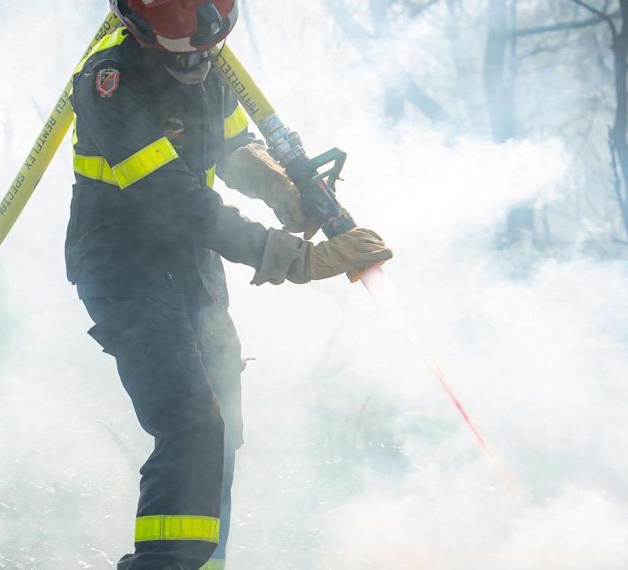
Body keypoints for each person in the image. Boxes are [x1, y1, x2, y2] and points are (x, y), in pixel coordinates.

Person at [66, 1, 393, 568]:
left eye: (206, 52)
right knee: (192, 423)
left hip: (193, 267)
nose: (199, 66)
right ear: (142, 34)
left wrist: (280, 189)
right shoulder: (109, 85)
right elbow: (176, 201)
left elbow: (234, 145)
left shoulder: (206, 60)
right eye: (185, 56)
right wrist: (300, 259)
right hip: (125, 268)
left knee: (222, 428)